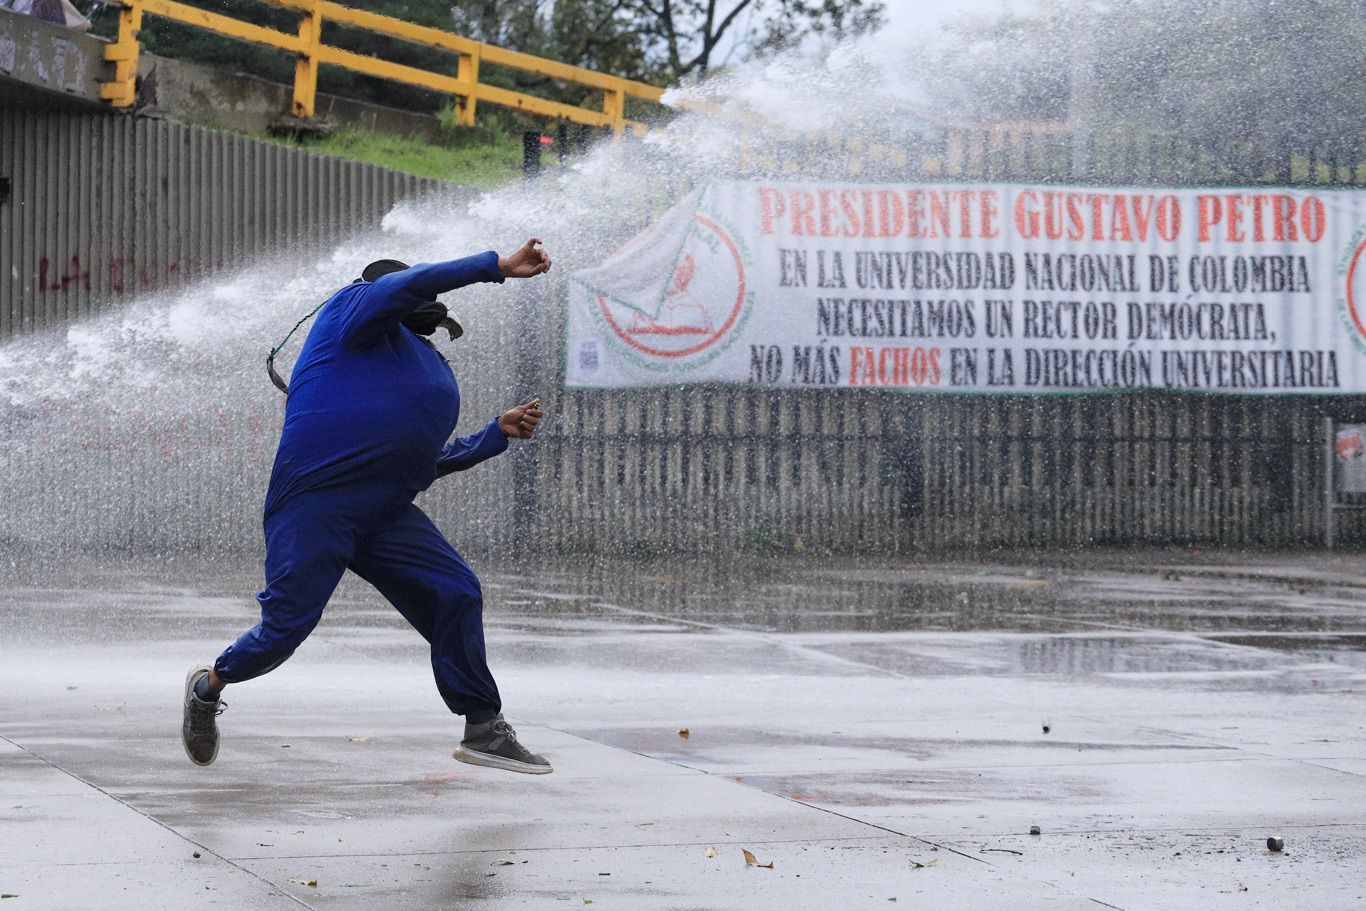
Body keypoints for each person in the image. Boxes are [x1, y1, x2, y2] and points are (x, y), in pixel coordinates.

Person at [182, 239, 553, 774]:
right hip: (317, 504)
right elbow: (404, 286)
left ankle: (483, 728)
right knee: (283, 631)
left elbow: (418, 462)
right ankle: (207, 686)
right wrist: (493, 267)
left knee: (456, 592)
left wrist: (494, 434)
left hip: (386, 510)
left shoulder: (417, 354)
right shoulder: (350, 311)